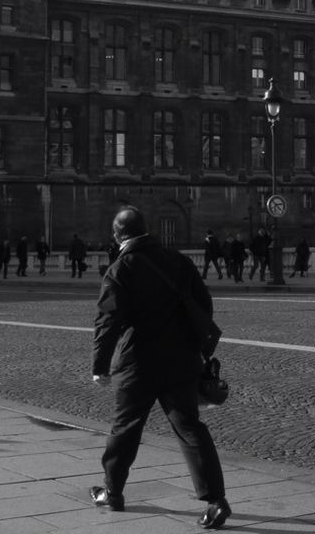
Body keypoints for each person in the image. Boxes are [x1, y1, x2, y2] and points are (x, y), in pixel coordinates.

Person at [90, 205, 230, 528]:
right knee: (190, 429)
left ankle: (113, 492)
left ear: (118, 235)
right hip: (180, 362)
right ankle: (216, 501)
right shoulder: (178, 261)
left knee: (125, 430)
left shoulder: (120, 269)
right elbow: (204, 304)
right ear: (147, 229)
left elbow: (107, 322)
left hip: (136, 363)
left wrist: (100, 365)